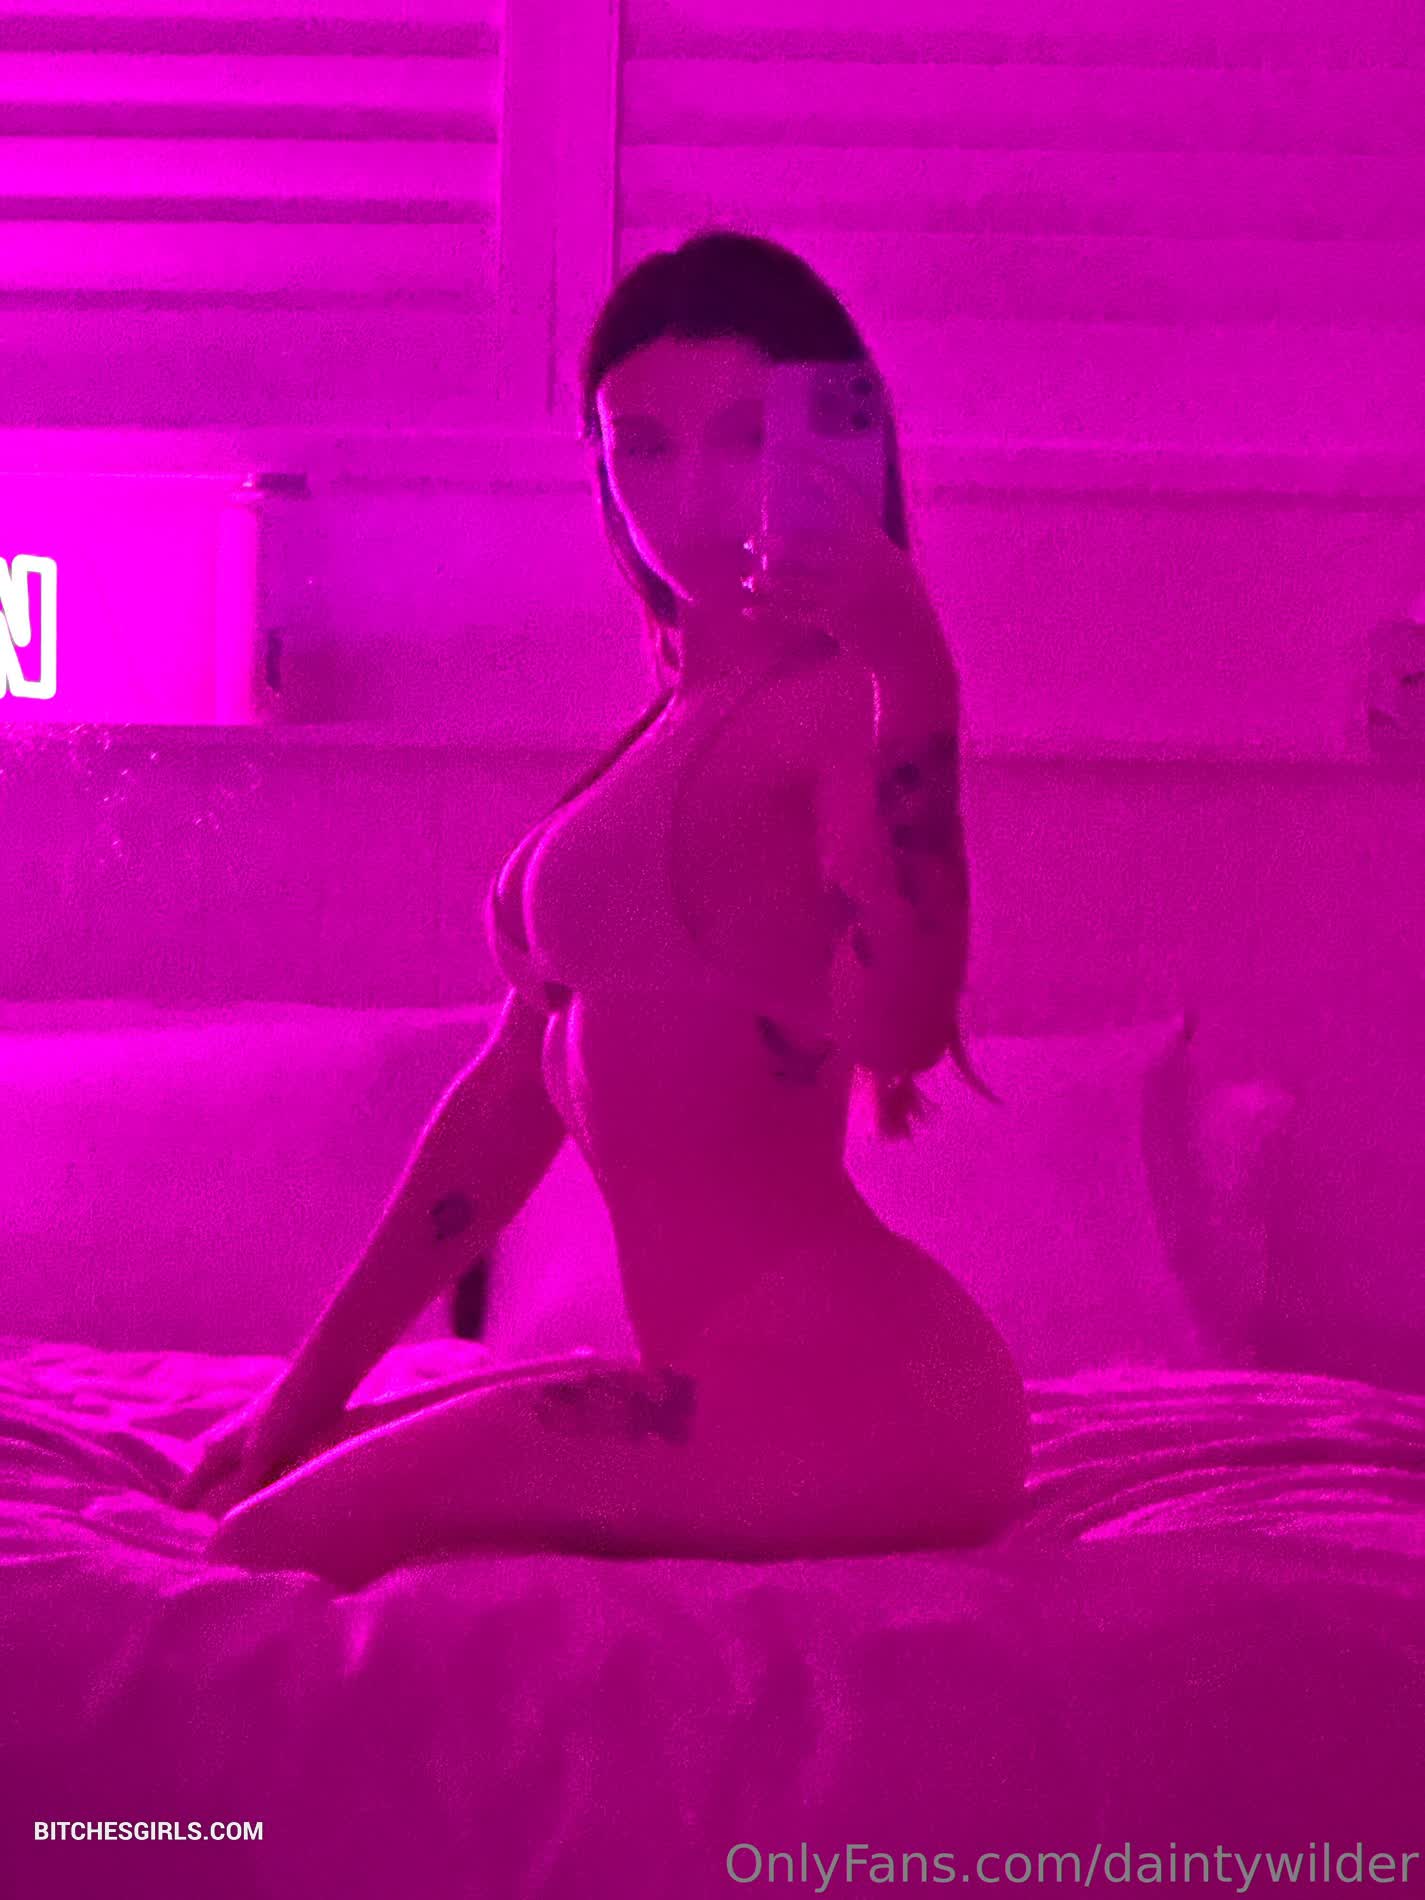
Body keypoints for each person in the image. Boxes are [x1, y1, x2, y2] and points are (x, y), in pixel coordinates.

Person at [179, 230, 1030, 1588]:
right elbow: (507, 1103)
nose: (688, 494)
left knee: (264, 1556)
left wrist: (915, 670)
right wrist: (310, 1391)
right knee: (273, 1517)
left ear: (833, 444)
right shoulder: (675, 729)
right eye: (643, 446)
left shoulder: (832, 708)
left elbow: (901, 1029)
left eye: (743, 436)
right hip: (747, 1381)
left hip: (862, 1393)